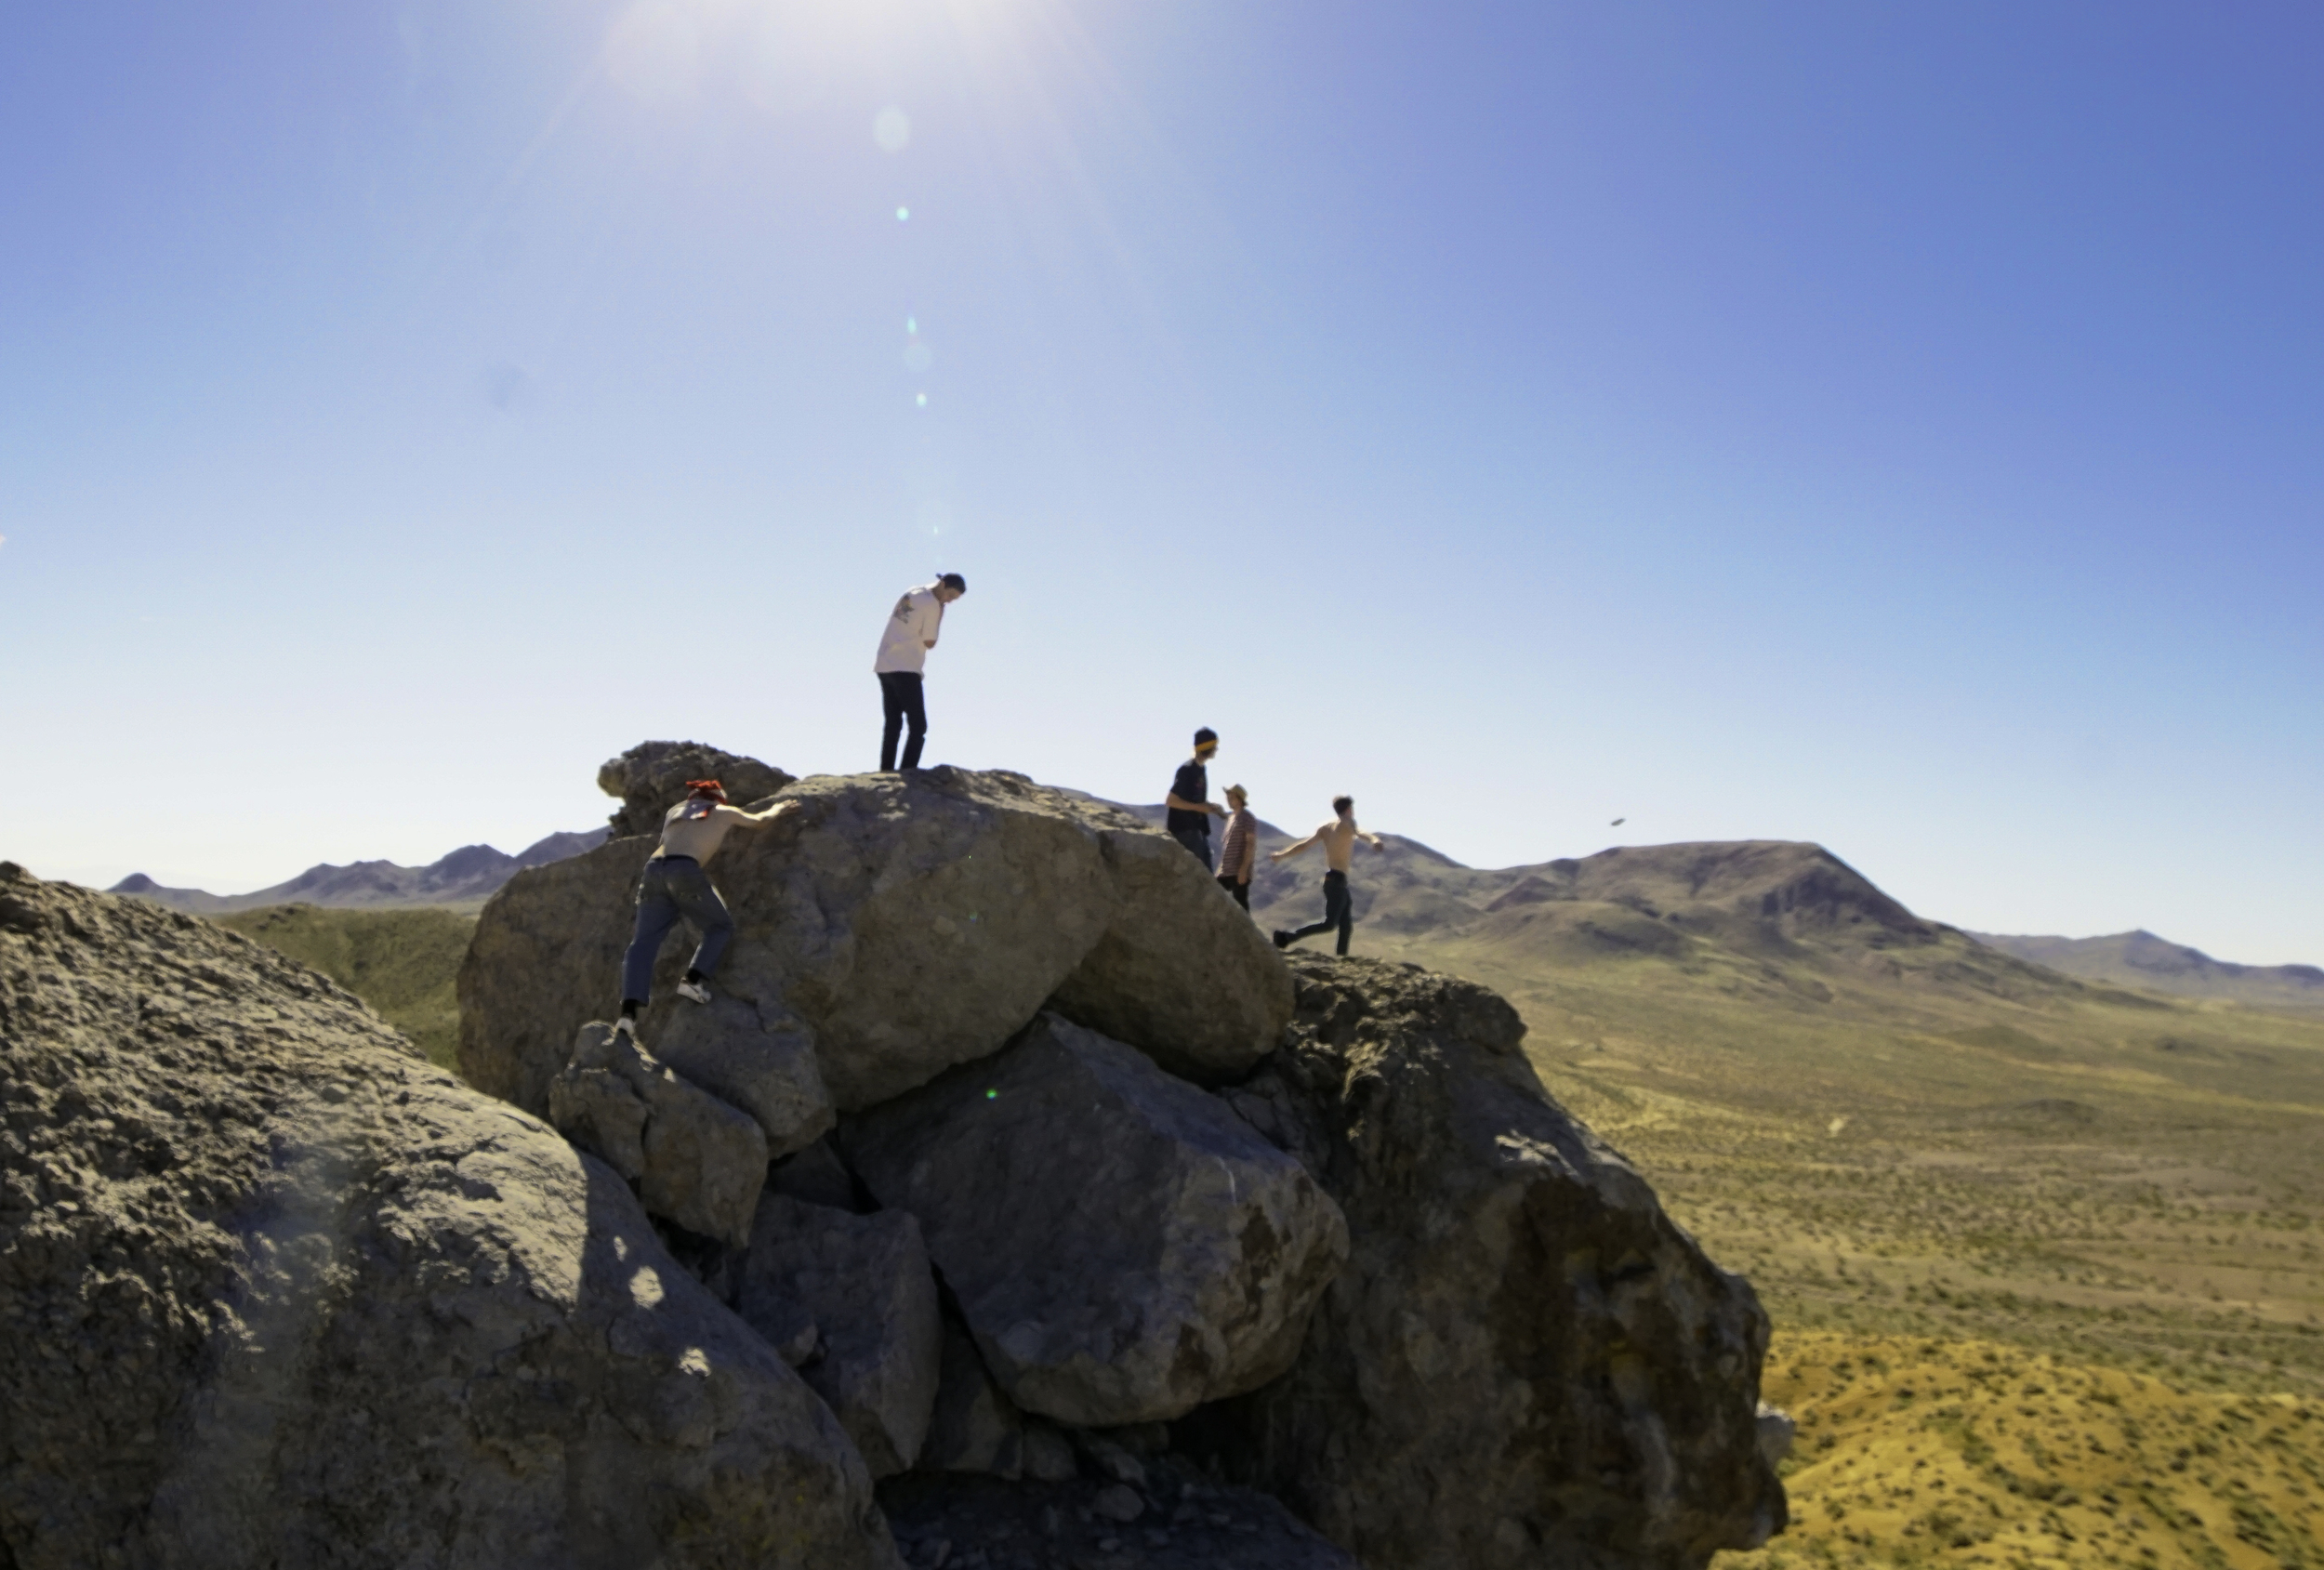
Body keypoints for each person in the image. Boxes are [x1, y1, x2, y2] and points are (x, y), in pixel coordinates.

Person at [614, 780, 798, 1036]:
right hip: (684, 871)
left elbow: (673, 841)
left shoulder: (674, 812)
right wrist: (778, 809)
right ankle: (693, 980)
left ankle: (628, 1015)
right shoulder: (724, 811)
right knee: (720, 926)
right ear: (718, 799)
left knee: (642, 943)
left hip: (653, 871)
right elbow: (758, 822)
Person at [1270, 794, 1385, 957]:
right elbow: (1359, 832)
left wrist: (1281, 855)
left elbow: (1304, 845)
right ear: (1349, 809)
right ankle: (1286, 936)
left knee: (1346, 926)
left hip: (1334, 880)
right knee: (1329, 924)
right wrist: (1374, 840)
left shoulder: (1325, 826)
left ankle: (1342, 958)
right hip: (1337, 880)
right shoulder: (1348, 822)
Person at [876, 573, 968, 771]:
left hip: (885, 663)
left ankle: (886, 770)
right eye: (950, 596)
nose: (949, 601)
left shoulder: (914, 592)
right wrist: (941, 615)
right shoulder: (933, 605)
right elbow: (930, 642)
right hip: (906, 666)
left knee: (893, 723)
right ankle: (908, 771)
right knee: (918, 726)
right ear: (942, 585)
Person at [1163, 728, 1224, 868]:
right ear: (1206, 747)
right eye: (1214, 746)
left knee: (1206, 876)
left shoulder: (1201, 769)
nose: (1216, 749)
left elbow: (1195, 799)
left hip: (1197, 829)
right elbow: (1170, 800)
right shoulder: (1187, 769)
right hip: (1184, 830)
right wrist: (1198, 807)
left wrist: (1212, 807)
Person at [1215, 784, 1258, 911]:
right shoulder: (1231, 818)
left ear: (1239, 799)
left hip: (1238, 870)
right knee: (1212, 893)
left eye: (1231, 796)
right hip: (1225, 870)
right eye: (1227, 796)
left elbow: (1250, 844)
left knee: (1241, 905)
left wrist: (1244, 869)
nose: (1228, 799)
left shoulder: (1247, 818)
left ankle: (1248, 931)